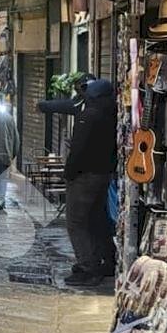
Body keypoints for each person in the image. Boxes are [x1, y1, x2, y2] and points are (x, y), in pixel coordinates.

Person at [62, 77, 117, 287]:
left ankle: (88, 267)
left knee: (76, 222)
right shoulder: (112, 113)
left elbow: (78, 149)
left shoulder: (90, 115)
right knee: (96, 219)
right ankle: (108, 260)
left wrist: (69, 173)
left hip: (85, 175)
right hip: (103, 174)